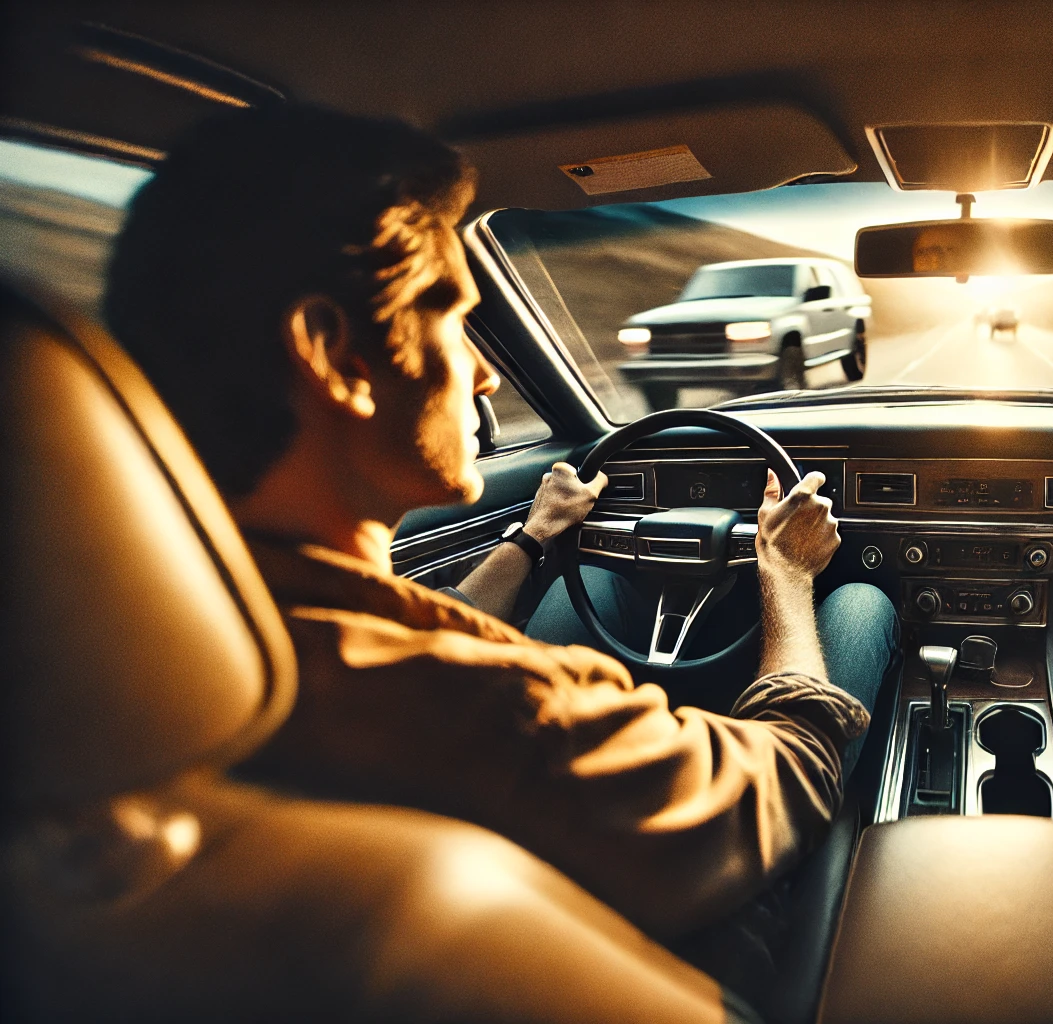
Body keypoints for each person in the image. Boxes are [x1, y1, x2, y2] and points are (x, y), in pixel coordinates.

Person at [102, 104, 899, 959]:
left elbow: (405, 615)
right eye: (452, 316)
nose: (484, 371)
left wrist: (529, 538)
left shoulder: (131, 637)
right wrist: (781, 575)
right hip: (699, 946)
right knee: (856, 608)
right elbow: (787, 779)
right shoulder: (507, 715)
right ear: (334, 356)